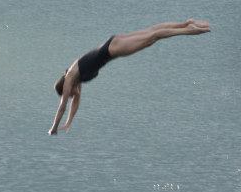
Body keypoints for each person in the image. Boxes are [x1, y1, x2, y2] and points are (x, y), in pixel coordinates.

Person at [48, 18, 210, 134]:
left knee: (152, 37)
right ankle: (186, 23)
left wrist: (53, 128)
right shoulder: (76, 78)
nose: (70, 97)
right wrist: (69, 122)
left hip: (112, 49)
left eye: (67, 94)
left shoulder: (70, 77)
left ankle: (187, 30)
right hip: (112, 43)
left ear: (64, 88)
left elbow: (62, 106)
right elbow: (75, 103)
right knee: (151, 33)